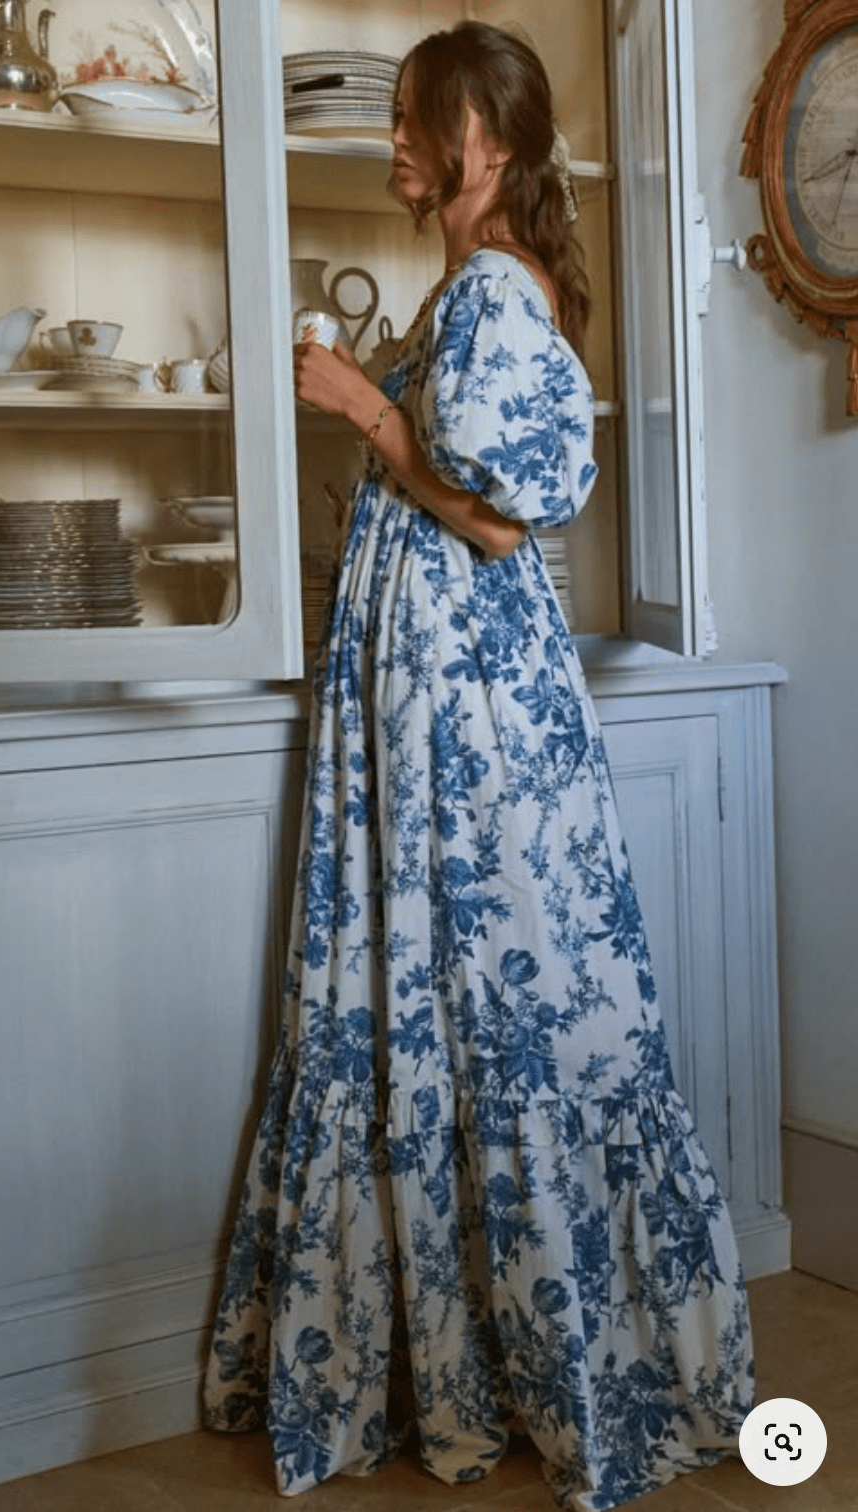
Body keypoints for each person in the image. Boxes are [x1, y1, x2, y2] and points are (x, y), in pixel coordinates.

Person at [203, 21, 754, 1510]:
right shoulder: (472, 287)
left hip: (470, 700)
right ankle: (481, 1362)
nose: (392, 141)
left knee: (500, 989)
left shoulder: (499, 289)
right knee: (464, 990)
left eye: (413, 119)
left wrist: (365, 407)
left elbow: (503, 523)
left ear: (486, 143)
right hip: (438, 687)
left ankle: (541, 1368)